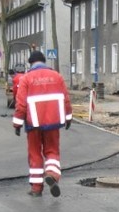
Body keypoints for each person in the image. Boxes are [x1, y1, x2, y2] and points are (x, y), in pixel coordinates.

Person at [12, 51, 73, 197]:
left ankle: (36, 188)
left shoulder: (26, 78)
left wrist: (17, 124)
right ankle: (52, 174)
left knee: (35, 153)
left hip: (33, 123)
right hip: (53, 122)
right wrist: (68, 117)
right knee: (52, 151)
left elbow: (21, 104)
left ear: (31, 63)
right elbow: (66, 100)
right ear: (44, 62)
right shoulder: (57, 76)